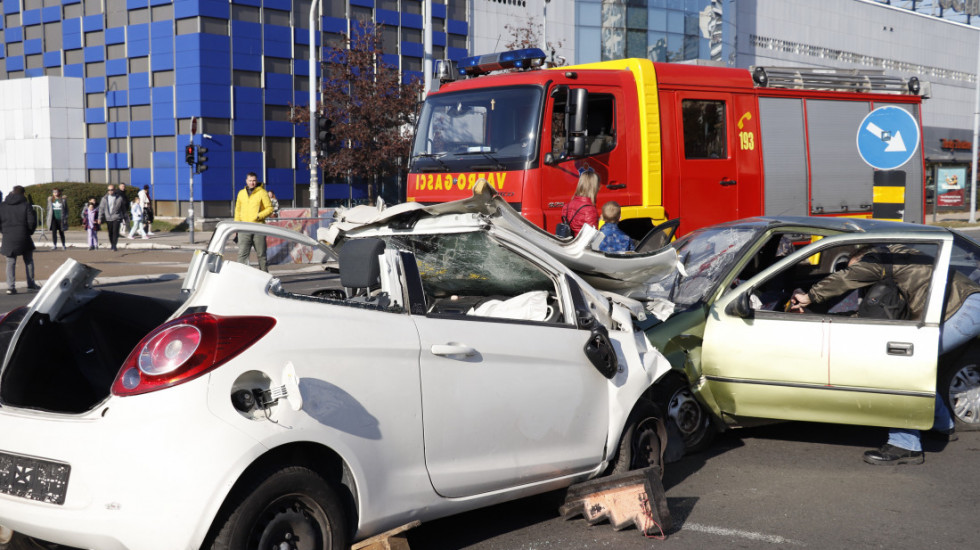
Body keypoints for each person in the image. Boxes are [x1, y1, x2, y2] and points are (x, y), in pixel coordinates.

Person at [791, 244, 980, 465]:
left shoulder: (880, 257)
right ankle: (942, 425)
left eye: (859, 267)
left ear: (862, 258)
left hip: (962, 308)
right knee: (915, 367)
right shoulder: (897, 264)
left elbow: (847, 277)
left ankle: (906, 445)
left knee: (902, 369)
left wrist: (809, 297)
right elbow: (875, 314)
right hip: (966, 304)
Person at [0, 186, 40, 294]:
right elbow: (31, 221)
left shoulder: (3, 206)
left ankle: (11, 287)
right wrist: (29, 232)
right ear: (23, 194)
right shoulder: (26, 205)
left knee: (10, 262)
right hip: (23, 235)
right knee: (28, 260)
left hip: (8, 237)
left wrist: (4, 232)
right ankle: (31, 284)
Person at [234, 172, 274, 272]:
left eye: (254, 181)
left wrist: (259, 216)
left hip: (258, 227)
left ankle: (265, 276)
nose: (252, 183)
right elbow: (237, 210)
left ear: (256, 181)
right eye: (250, 181)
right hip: (244, 227)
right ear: (246, 181)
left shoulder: (262, 192)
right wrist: (236, 225)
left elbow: (269, 208)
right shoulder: (241, 193)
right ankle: (240, 276)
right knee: (242, 254)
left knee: (261, 254)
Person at [561, 169, 600, 237]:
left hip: (571, 243)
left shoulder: (567, 206)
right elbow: (592, 238)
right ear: (593, 187)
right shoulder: (590, 210)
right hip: (583, 246)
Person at [98, 184, 130, 252]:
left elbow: (123, 209)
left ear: (114, 190)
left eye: (112, 190)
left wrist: (125, 217)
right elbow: (101, 209)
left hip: (116, 217)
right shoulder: (104, 199)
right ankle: (112, 243)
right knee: (110, 232)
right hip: (108, 217)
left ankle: (114, 245)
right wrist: (99, 218)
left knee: (115, 232)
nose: (110, 191)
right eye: (109, 190)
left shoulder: (119, 198)